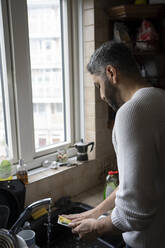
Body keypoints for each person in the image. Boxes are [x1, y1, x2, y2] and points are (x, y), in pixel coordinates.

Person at [63, 41, 165, 248]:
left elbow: (135, 211)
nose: (101, 95)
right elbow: (136, 182)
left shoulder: (131, 112)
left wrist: (96, 227)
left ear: (111, 73)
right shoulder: (159, 98)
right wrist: (95, 212)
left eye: (98, 85)